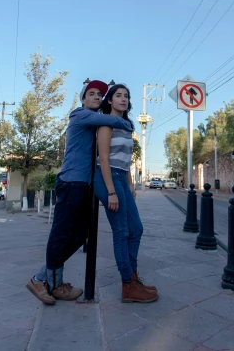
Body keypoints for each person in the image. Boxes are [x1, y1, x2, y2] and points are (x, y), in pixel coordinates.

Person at [27, 79, 133, 305]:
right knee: (61, 233)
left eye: (99, 95)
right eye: (92, 94)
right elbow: (113, 119)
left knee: (80, 234)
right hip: (71, 181)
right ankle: (50, 283)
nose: (96, 97)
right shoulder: (79, 114)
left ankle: (43, 277)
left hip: (85, 185)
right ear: (83, 99)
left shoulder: (95, 122)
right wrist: (126, 123)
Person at [94, 84, 158, 303]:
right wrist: (111, 191)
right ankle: (128, 285)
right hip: (107, 178)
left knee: (136, 229)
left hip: (122, 178)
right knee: (121, 232)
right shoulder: (106, 124)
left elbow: (126, 160)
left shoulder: (127, 125)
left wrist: (130, 184)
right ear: (109, 101)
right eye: (118, 95)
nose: (123, 99)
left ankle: (132, 277)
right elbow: (103, 159)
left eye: (126, 96)